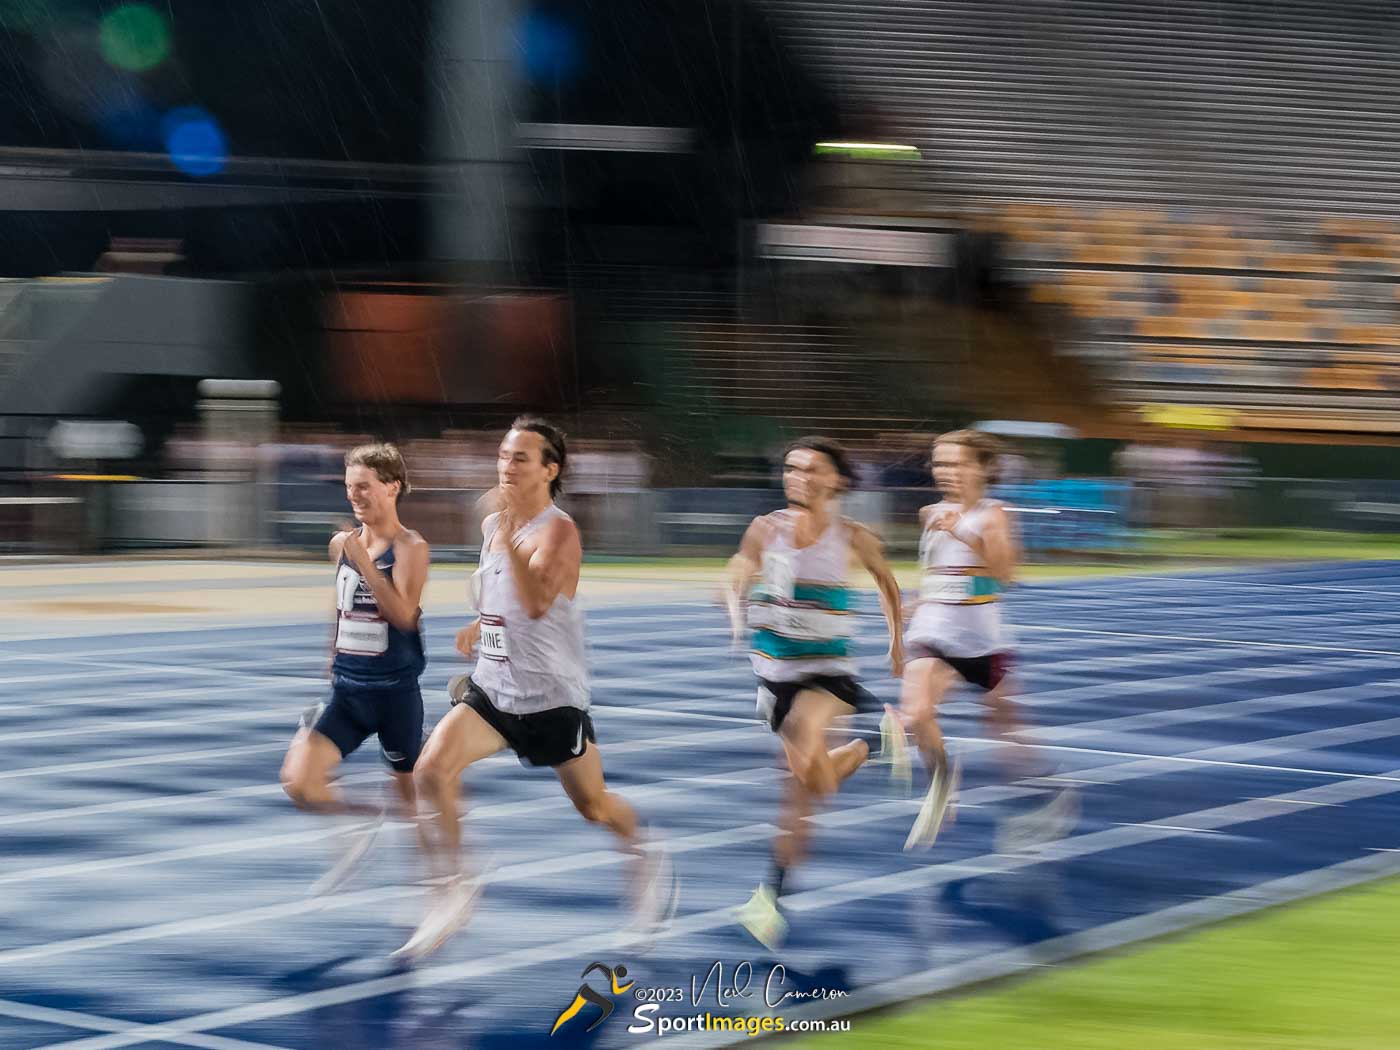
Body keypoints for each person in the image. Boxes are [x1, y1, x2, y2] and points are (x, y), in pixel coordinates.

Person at [402, 416, 677, 959]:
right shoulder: (493, 527)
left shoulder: (559, 530)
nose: (506, 465)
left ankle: (646, 853)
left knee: (594, 807)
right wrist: (480, 625)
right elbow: (505, 603)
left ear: (550, 470)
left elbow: (536, 602)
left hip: (551, 697)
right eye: (503, 455)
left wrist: (505, 540)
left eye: (521, 457)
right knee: (430, 771)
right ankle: (455, 887)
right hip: (494, 689)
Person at [726, 437, 904, 949]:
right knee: (808, 790)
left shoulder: (852, 536)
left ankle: (768, 901)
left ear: (837, 481)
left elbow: (888, 584)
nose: (798, 476)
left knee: (806, 745)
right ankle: (874, 743)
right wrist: (736, 610)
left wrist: (896, 643)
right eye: (791, 468)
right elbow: (736, 572)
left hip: (828, 675)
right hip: (774, 678)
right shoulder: (765, 529)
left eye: (811, 469)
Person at [898, 430, 1076, 852]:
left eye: (958, 464)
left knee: (1008, 738)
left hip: (981, 640)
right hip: (932, 631)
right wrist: (920, 598)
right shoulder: (929, 513)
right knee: (917, 713)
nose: (948, 473)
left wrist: (964, 531)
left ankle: (1048, 792)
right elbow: (942, 572)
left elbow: (1005, 574)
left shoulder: (993, 514)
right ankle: (943, 784)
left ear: (982, 468)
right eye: (941, 464)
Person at [280, 442, 430, 894]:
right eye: (349, 488)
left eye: (363, 487)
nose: (354, 497)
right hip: (348, 689)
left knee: (411, 802)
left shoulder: (410, 547)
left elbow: (404, 615)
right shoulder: (340, 546)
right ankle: (362, 821)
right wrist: (333, 649)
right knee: (300, 784)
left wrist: (365, 562)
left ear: (392, 487)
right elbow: (342, 606)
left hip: (394, 694)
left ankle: (440, 884)